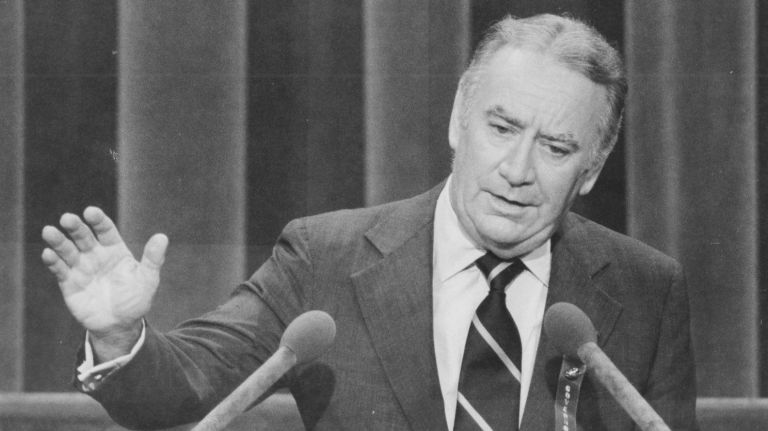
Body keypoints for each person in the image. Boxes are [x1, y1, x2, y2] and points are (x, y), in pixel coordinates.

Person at [41, 14, 697, 431]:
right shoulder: (324, 256)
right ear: (456, 122)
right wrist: (121, 335)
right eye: (501, 128)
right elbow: (177, 394)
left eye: (556, 148)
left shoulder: (647, 288)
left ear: (592, 168)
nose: (517, 168)